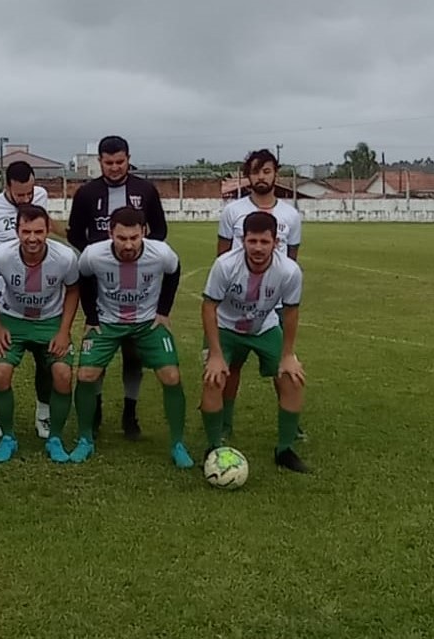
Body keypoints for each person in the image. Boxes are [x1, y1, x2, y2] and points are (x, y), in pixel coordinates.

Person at [73, 208, 193, 468]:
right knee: (85, 375)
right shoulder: (93, 255)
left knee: (171, 376)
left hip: (147, 322)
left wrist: (163, 311)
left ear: (144, 233)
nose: (128, 244)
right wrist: (92, 317)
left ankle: (177, 444)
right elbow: (83, 279)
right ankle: (85, 440)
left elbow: (174, 271)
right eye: (121, 238)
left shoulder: (160, 252)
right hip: (107, 322)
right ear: (109, 234)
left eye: (134, 238)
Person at [67, 136, 167, 441]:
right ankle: (94, 410)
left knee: (133, 352)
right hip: (99, 283)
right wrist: (98, 259)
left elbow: (160, 230)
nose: (114, 168)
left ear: (128, 159)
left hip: (138, 282)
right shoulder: (87, 192)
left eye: (120, 162)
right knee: (98, 345)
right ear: (100, 162)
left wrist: (140, 256)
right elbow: (74, 232)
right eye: (108, 163)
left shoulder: (145, 190)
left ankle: (130, 412)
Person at [201, 211, 308, 472]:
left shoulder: (289, 271)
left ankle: (284, 450)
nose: (258, 248)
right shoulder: (225, 265)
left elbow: (291, 312)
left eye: (264, 242)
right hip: (226, 327)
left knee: (292, 379)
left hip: (264, 328)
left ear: (276, 243)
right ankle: (214, 446)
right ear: (242, 240)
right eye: (252, 241)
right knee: (214, 380)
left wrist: (288, 354)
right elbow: (208, 307)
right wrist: (215, 353)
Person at [215, 148, 305, 441]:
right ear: (248, 176)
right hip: (236, 301)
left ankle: (291, 423)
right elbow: (222, 254)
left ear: (275, 174)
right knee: (232, 366)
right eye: (255, 171)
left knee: (282, 365)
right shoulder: (233, 211)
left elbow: (292, 258)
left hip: (274, 303)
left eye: (267, 171)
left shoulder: (290, 215)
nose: (261, 177)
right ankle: (225, 425)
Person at [0, 205, 80, 463]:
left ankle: (55, 438)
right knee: (0, 373)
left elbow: (73, 290)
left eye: (38, 231)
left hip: (49, 322)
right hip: (11, 321)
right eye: (26, 231)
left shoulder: (65, 258)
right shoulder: (0, 256)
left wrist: (64, 331)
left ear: (48, 229)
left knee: (62, 374)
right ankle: (7, 436)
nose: (32, 238)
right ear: (16, 230)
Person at [0, 160, 53, 440]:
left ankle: (44, 415)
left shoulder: (40, 196)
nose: (26, 199)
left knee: (46, 362)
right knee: (0, 363)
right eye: (20, 195)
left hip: (40, 295)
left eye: (30, 193)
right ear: (7, 187)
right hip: (3, 302)